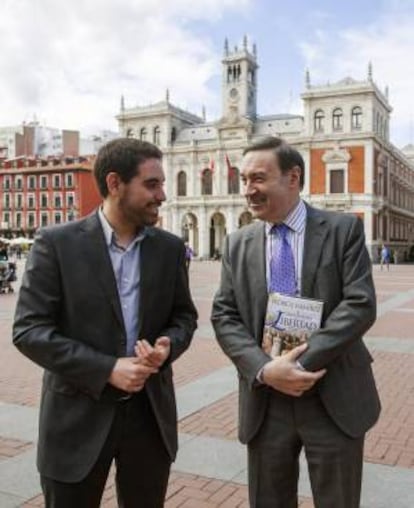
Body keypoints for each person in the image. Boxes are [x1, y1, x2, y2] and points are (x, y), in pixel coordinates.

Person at [13, 138, 198, 508]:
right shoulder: (56, 244)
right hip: (75, 419)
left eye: (162, 184)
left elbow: (184, 317)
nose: (163, 194)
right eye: (151, 184)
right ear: (115, 184)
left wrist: (168, 345)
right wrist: (107, 368)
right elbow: (29, 331)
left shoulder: (170, 248)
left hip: (149, 419)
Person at [211, 137, 380, 508]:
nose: (248, 190)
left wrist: (297, 363)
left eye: (258, 178)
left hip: (332, 395)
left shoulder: (341, 230)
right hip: (266, 400)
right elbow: (224, 315)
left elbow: (359, 304)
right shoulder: (237, 242)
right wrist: (266, 369)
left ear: (293, 178)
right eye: (243, 180)